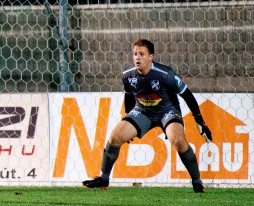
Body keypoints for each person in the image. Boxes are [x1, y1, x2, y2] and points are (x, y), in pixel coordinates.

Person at [83, 39, 213, 193]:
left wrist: (199, 119)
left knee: (177, 141)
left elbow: (187, 94)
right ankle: (103, 179)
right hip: (143, 112)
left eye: (142, 54)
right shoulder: (127, 75)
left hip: (168, 111)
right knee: (115, 138)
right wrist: (128, 118)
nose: (137, 58)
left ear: (151, 56)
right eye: (135, 54)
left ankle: (197, 182)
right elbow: (129, 97)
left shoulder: (166, 74)